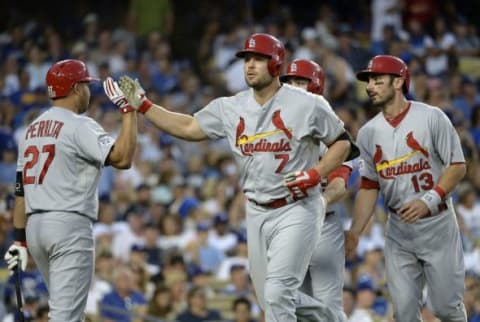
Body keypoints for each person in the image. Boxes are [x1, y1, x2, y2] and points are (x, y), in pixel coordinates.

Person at [112, 33, 358, 321]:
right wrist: (145, 107)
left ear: (276, 64)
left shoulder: (306, 103)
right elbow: (190, 127)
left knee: (278, 293)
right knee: (269, 298)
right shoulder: (231, 107)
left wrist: (315, 174)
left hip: (298, 206)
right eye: (247, 59)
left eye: (258, 59)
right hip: (255, 210)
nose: (250, 65)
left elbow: (342, 143)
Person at [3, 59, 137, 321]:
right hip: (68, 225)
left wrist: (19, 240)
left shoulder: (30, 130)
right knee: (65, 318)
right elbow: (122, 159)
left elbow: (20, 192)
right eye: (86, 85)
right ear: (76, 89)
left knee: (66, 312)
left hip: (35, 229)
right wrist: (129, 111)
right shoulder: (79, 124)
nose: (88, 91)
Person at [345, 54, 467, 322]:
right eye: (369, 82)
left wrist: (429, 199)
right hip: (399, 230)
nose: (370, 87)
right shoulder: (367, 132)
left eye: (377, 80)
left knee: (446, 308)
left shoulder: (431, 117)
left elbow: (458, 166)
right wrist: (354, 232)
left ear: (399, 81)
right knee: (403, 314)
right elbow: (368, 186)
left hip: (437, 224)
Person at [280, 58, 353, 322]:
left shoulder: (331, 129)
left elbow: (339, 184)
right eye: (288, 82)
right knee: (284, 300)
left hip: (324, 225)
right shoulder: (277, 129)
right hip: (286, 225)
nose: (292, 87)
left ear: (316, 86)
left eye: (299, 81)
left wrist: (320, 202)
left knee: (327, 303)